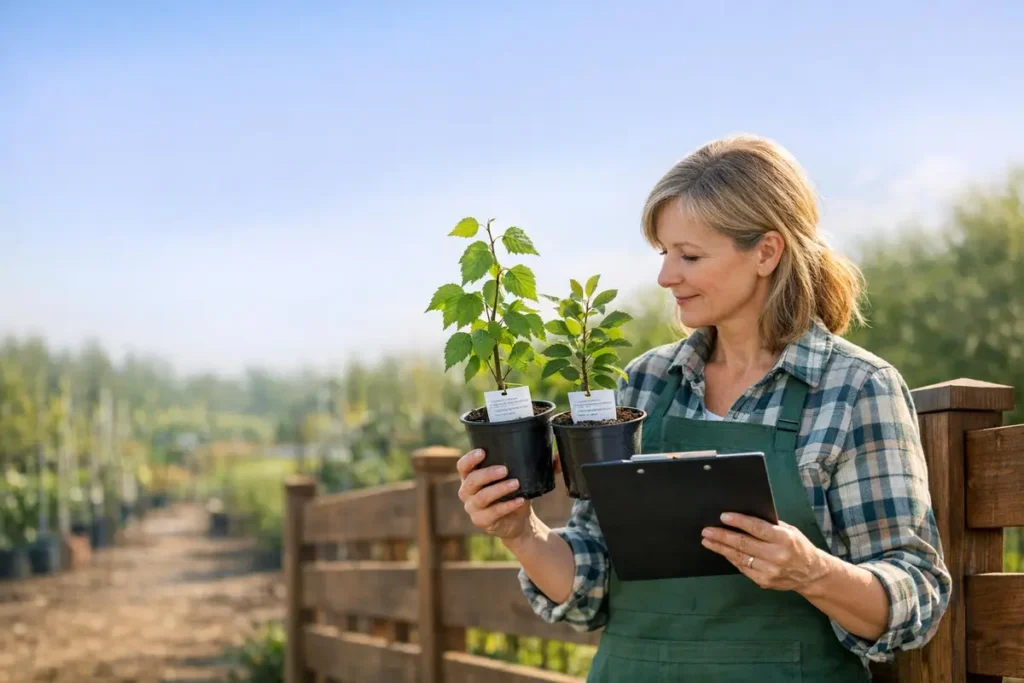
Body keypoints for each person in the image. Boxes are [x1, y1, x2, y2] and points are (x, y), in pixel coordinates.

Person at [455, 134, 951, 681]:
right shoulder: (644, 385)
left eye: (689, 256)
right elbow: (590, 588)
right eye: (664, 254)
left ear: (766, 252)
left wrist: (811, 571)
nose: (666, 276)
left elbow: (917, 592)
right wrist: (520, 531)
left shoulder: (854, 389)